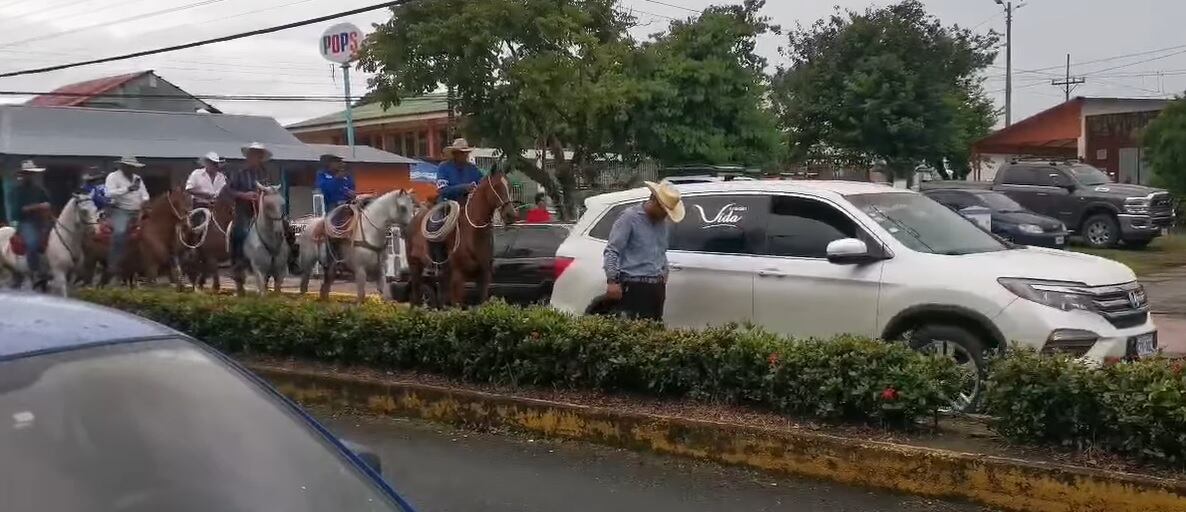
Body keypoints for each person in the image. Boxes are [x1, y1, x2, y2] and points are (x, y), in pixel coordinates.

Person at [602, 181, 684, 321]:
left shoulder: (662, 223)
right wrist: (612, 280)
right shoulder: (630, 218)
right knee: (633, 330)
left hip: (656, 288)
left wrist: (664, 271)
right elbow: (612, 250)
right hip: (633, 286)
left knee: (654, 330)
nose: (665, 215)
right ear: (653, 200)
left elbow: (661, 250)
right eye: (663, 210)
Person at [224, 142, 271, 268]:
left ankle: (287, 259)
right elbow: (229, 190)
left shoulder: (264, 173)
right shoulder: (239, 173)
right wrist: (244, 195)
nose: (255, 158)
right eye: (253, 155)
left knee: (282, 226)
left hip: (262, 207)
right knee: (240, 231)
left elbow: (269, 189)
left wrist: (264, 195)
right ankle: (238, 261)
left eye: (258, 156)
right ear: (248, 157)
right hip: (243, 208)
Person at [105, 156, 150, 275]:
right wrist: (128, 189)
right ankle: (113, 264)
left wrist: (145, 201)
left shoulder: (137, 178)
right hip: (121, 210)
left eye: (133, 167)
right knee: (119, 233)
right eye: (129, 166)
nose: (132, 169)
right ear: (122, 166)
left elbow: (145, 194)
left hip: (139, 210)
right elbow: (109, 194)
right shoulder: (113, 177)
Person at [13, 160, 52, 280]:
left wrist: (46, 206)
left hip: (42, 221)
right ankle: (35, 271)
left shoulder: (39, 190)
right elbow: (18, 210)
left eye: (31, 173)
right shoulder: (17, 191)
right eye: (27, 173)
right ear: (22, 174)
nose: (29, 176)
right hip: (26, 222)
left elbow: (48, 203)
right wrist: (38, 206)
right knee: (32, 244)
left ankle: (52, 267)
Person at [434, 138, 482, 203]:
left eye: (466, 153)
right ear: (455, 154)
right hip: (448, 203)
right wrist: (464, 188)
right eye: (462, 153)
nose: (465, 155)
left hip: (469, 203)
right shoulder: (443, 167)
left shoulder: (473, 168)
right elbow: (443, 190)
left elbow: (482, 183)